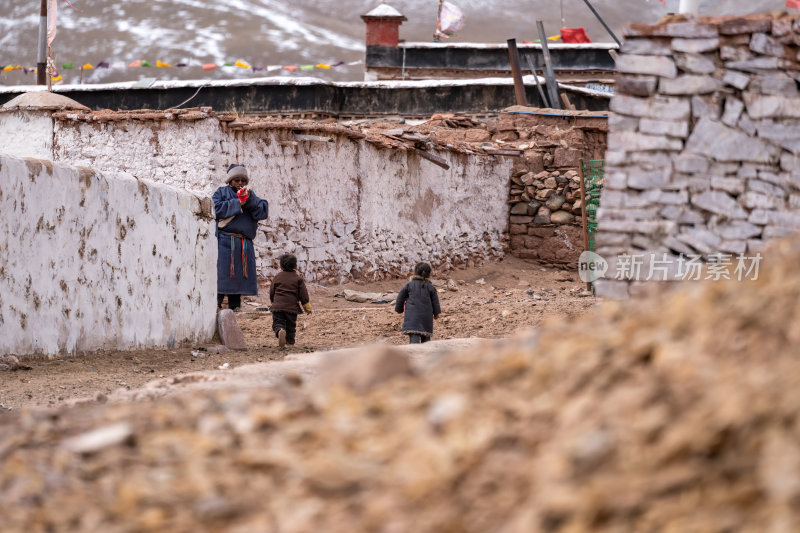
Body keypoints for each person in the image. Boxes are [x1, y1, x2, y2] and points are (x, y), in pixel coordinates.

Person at [212, 164, 269, 311]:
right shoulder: (221, 192)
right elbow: (215, 209)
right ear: (230, 181)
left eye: (242, 180)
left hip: (244, 243)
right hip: (225, 242)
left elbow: (262, 212)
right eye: (236, 180)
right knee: (222, 275)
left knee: (238, 278)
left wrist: (248, 200)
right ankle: (215, 305)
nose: (240, 183)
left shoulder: (250, 194)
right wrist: (237, 203)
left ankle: (235, 308)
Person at [269, 253, 312, 348]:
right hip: (291, 308)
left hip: (277, 307)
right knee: (291, 326)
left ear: (281, 265)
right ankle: (290, 342)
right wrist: (307, 307)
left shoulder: (277, 277)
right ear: (295, 266)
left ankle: (280, 330)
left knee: (277, 322)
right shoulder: (298, 279)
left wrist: (273, 302)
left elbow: (272, 291)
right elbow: (303, 295)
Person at [395, 262, 441, 344]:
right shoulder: (431, 287)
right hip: (426, 319)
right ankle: (426, 355)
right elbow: (435, 302)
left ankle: (414, 355)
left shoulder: (409, 285)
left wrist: (399, 309)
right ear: (429, 274)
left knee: (414, 341)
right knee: (426, 341)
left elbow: (400, 298)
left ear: (415, 272)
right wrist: (436, 313)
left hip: (412, 319)